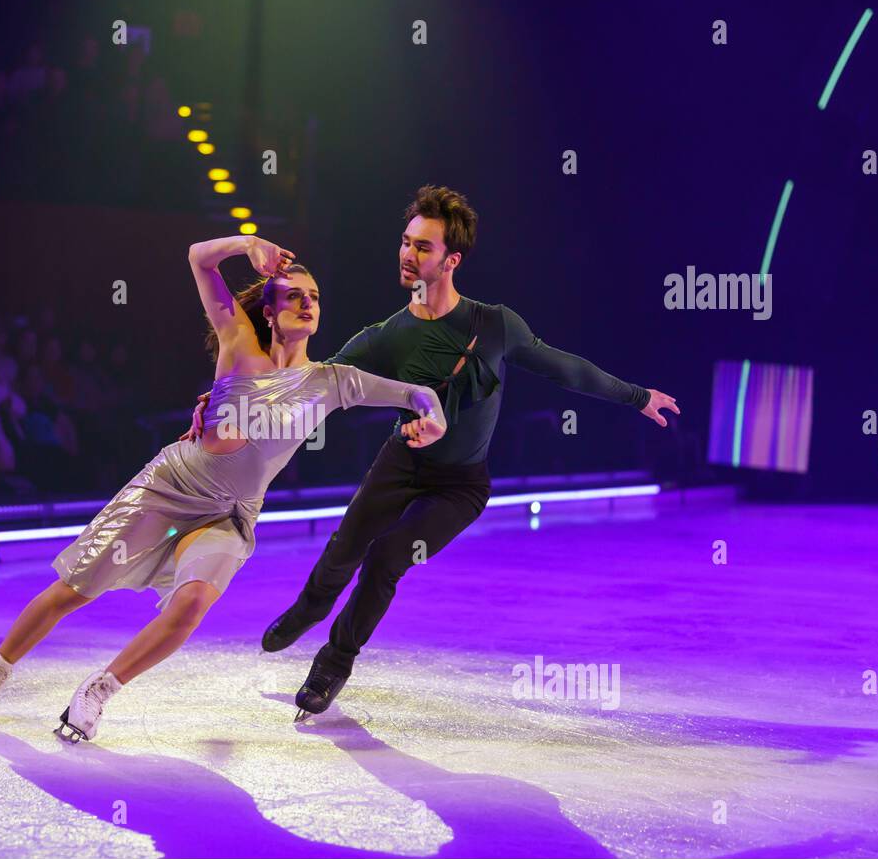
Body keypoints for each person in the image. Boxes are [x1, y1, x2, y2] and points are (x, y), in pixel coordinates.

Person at [184, 186, 680, 720]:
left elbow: (565, 367)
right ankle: (310, 606)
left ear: (452, 260)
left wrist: (637, 396)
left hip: (461, 486)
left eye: (422, 247)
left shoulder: (494, 325)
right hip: (401, 464)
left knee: (386, 558)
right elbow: (306, 384)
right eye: (405, 242)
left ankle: (333, 663)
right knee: (344, 547)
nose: (407, 254)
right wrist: (228, 397)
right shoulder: (386, 337)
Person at [0, 235, 447, 741]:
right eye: (293, 294)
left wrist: (434, 419)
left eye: (314, 296)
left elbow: (417, 393)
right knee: (76, 589)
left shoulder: (333, 381)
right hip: (170, 488)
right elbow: (198, 257)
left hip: (229, 514)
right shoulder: (236, 340)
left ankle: (98, 689)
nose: (306, 303)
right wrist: (250, 245)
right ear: (268, 311)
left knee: (192, 604)